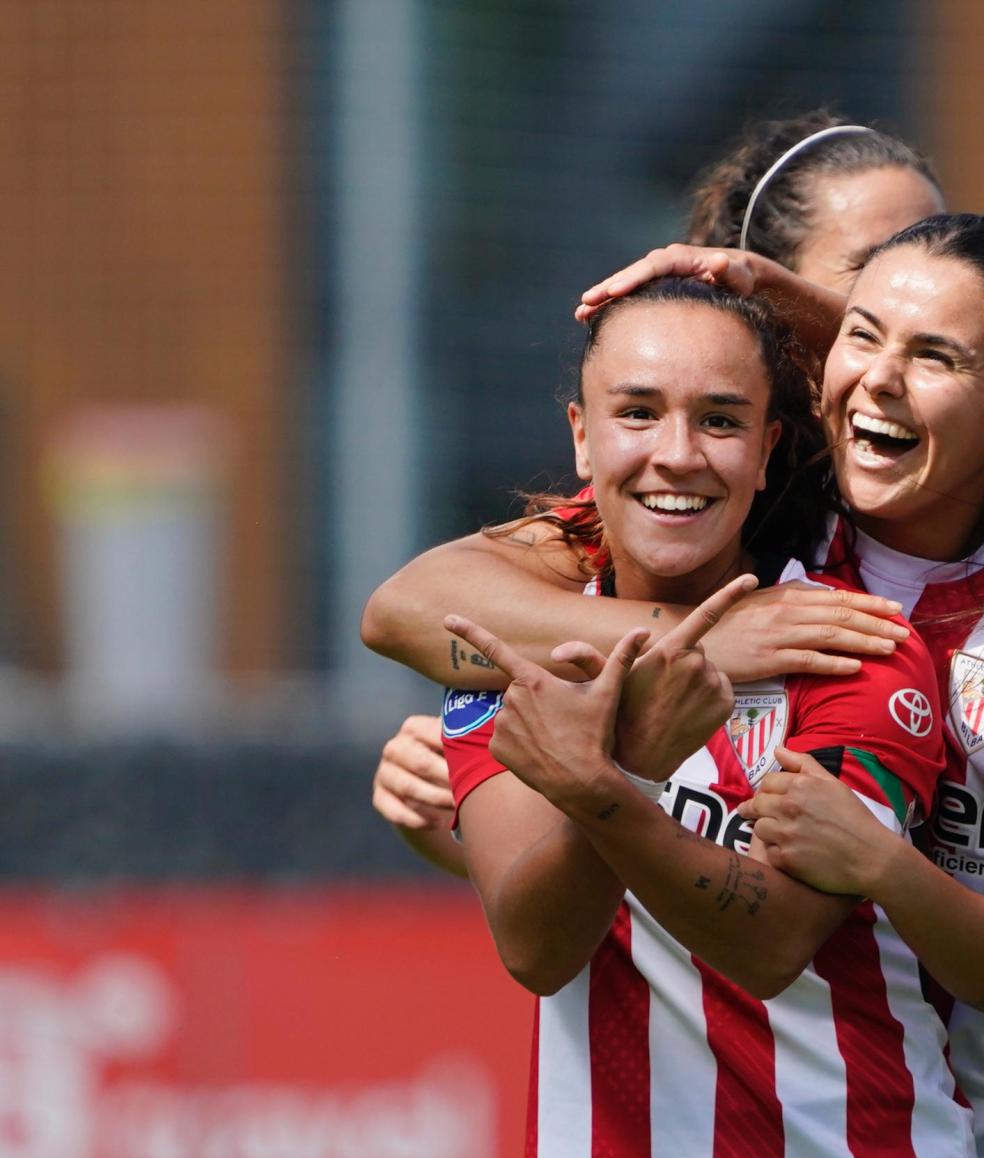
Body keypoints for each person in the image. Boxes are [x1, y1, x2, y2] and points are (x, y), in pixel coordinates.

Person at [367, 213, 984, 1158]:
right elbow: (405, 607)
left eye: (938, 351)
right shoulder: (619, 580)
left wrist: (881, 866)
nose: (676, 450)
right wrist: (693, 644)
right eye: (859, 328)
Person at [434, 276, 984, 1158]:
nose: (677, 454)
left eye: (720, 420)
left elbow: (773, 938)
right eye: (637, 412)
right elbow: (536, 942)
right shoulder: (508, 655)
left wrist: (611, 783)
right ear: (582, 437)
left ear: (771, 448)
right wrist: (634, 756)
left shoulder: (855, 647)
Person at [365, 111, 945, 878]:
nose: (925, 296)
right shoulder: (705, 495)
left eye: (941, 262)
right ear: (765, 301)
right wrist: (695, 640)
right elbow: (405, 608)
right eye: (871, 275)